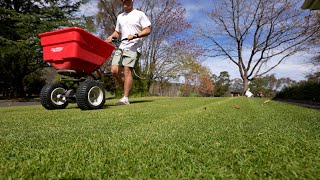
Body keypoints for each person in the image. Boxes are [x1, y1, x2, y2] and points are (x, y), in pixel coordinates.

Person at [106, 0, 151, 105]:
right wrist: (111, 37)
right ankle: (129, 85)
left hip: (134, 47)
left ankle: (125, 98)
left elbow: (147, 30)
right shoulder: (120, 16)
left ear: (132, 1)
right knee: (114, 71)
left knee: (127, 70)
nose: (124, 2)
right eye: (123, 0)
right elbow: (117, 32)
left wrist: (136, 35)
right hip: (122, 46)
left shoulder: (139, 14)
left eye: (126, 0)